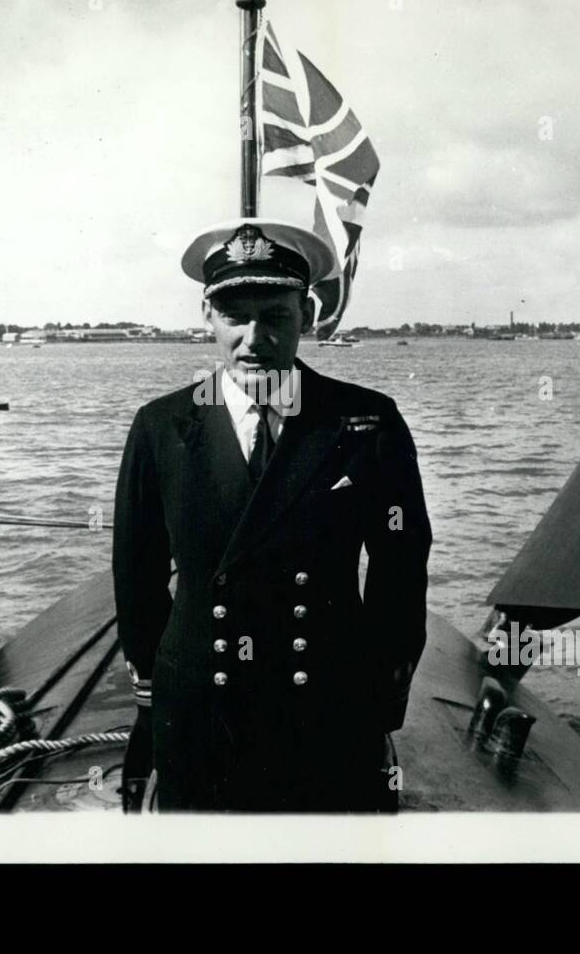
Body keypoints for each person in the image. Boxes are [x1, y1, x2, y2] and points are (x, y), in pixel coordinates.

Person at [112, 220, 432, 812]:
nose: (254, 338)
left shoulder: (364, 420)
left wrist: (383, 687)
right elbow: (137, 569)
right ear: (207, 316)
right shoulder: (162, 426)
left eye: (276, 316)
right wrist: (155, 693)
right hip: (202, 705)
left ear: (307, 316)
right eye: (235, 316)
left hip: (325, 703)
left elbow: (401, 563)